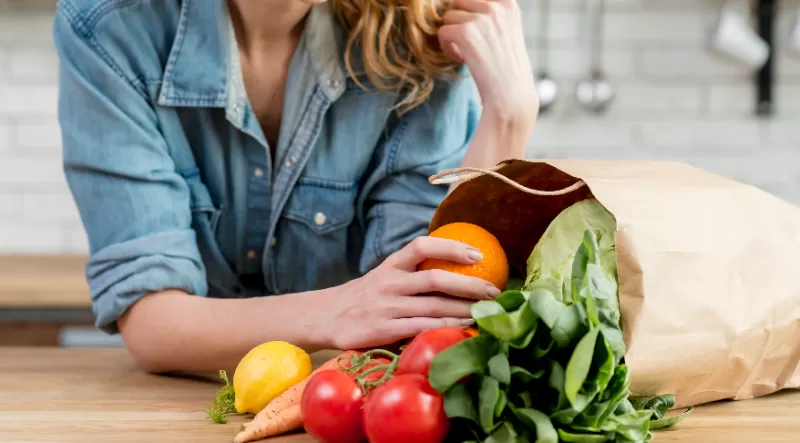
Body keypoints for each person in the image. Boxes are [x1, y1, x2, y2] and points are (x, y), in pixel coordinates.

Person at [54, 0, 538, 374]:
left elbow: (424, 305)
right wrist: (335, 312)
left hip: (343, 402)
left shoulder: (414, 30)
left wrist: (508, 116)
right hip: (182, 404)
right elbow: (152, 322)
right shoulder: (110, 25)